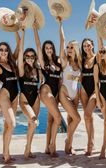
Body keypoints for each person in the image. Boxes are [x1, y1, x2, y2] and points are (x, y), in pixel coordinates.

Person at [33, 21, 62, 157]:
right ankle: (53, 145)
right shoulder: (43, 62)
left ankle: (46, 147)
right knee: (58, 118)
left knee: (51, 121)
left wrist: (60, 24)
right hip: (46, 91)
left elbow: (63, 42)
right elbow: (38, 45)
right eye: (46, 48)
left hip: (55, 93)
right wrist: (35, 29)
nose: (48, 50)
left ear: (53, 48)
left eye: (50, 48)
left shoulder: (58, 61)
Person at [0, 33, 19, 163]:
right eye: (1, 49)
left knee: (8, 125)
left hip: (15, 95)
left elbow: (19, 44)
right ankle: (6, 153)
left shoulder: (12, 62)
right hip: (5, 95)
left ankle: (5, 152)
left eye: (6, 50)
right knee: (12, 124)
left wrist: (15, 29)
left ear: (8, 51)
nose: (3, 52)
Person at [18, 25, 43, 159]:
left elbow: (39, 48)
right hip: (24, 100)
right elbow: (21, 49)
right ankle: (27, 149)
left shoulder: (38, 71)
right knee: (34, 121)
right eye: (27, 56)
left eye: (32, 56)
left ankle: (28, 149)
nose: (30, 58)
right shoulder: (22, 70)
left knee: (31, 126)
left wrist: (35, 30)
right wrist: (23, 33)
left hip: (36, 99)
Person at [58, 17, 82, 155]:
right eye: (68, 47)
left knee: (70, 119)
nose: (68, 49)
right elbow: (62, 41)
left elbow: (78, 82)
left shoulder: (78, 65)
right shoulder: (65, 62)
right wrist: (60, 24)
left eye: (71, 47)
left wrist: (78, 96)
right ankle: (68, 141)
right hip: (65, 94)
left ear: (76, 49)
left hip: (75, 96)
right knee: (77, 119)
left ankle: (69, 146)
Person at [80, 38, 97, 156]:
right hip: (84, 89)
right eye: (84, 46)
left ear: (92, 45)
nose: (86, 47)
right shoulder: (82, 59)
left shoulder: (97, 58)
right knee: (88, 117)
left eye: (88, 45)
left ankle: (90, 144)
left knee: (87, 115)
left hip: (95, 90)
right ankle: (91, 141)